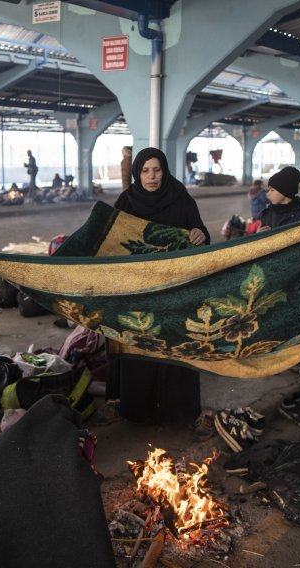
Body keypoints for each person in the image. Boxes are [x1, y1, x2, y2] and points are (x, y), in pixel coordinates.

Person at [108, 147, 210, 430]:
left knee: (172, 347)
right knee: (140, 349)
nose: (151, 176)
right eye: (145, 171)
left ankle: (176, 412)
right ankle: (138, 410)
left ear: (164, 171)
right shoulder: (126, 203)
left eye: (156, 170)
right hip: (138, 293)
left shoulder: (181, 199)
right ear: (136, 172)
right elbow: (108, 244)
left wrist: (200, 235)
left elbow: (201, 234)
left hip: (175, 292)